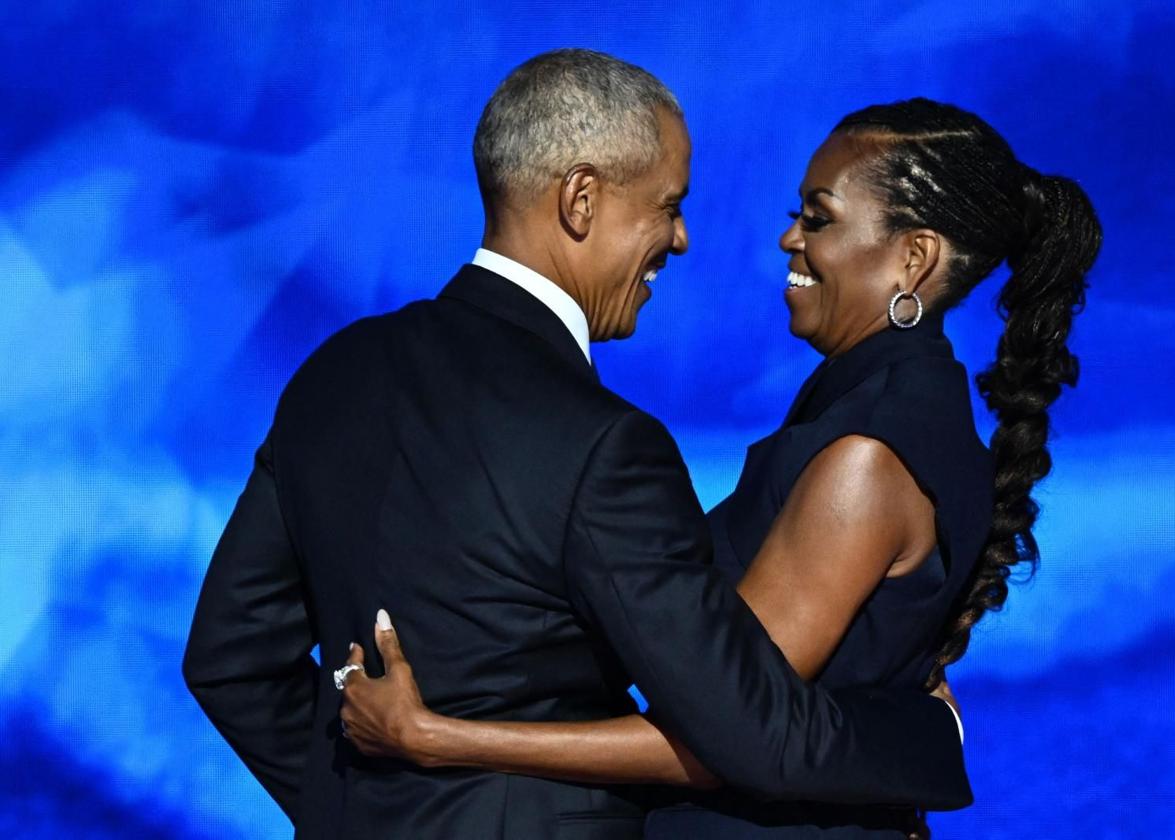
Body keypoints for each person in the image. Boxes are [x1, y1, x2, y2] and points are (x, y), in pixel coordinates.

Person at [183, 51, 969, 840]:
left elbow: (229, 659)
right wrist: (927, 740)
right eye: (669, 206)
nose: (682, 239)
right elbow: (751, 732)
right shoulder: (608, 447)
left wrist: (367, 807)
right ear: (582, 201)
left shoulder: (334, 375)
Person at [336, 97, 1102, 838]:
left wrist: (434, 736)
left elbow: (725, 738)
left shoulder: (866, 455)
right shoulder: (880, 419)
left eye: (818, 217)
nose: (789, 240)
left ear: (914, 257)